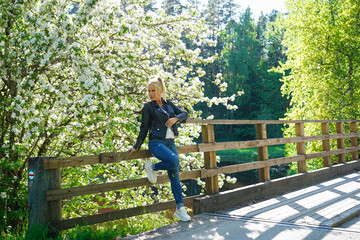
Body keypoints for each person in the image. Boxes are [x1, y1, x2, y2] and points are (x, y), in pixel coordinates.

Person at [128, 76, 191, 222]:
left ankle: (180, 209)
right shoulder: (148, 107)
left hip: (170, 143)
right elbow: (144, 128)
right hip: (156, 143)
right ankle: (153, 166)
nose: (150, 94)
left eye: (153, 90)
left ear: (160, 91)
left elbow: (185, 114)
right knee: (175, 161)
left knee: (175, 175)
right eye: (149, 91)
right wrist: (136, 146)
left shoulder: (169, 104)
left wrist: (176, 118)